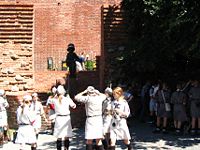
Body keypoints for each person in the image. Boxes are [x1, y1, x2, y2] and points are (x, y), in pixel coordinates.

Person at [74, 86, 106, 150]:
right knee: (98, 140)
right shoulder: (99, 98)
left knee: (89, 140)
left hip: (90, 119)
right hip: (98, 119)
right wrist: (98, 92)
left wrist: (84, 91)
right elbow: (105, 96)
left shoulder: (87, 98)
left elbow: (76, 97)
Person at [51, 85, 76, 150]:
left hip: (59, 118)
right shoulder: (67, 99)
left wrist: (55, 94)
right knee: (66, 136)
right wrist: (69, 98)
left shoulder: (54, 100)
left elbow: (51, 101)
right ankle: (66, 148)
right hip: (66, 118)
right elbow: (74, 106)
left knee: (59, 136)